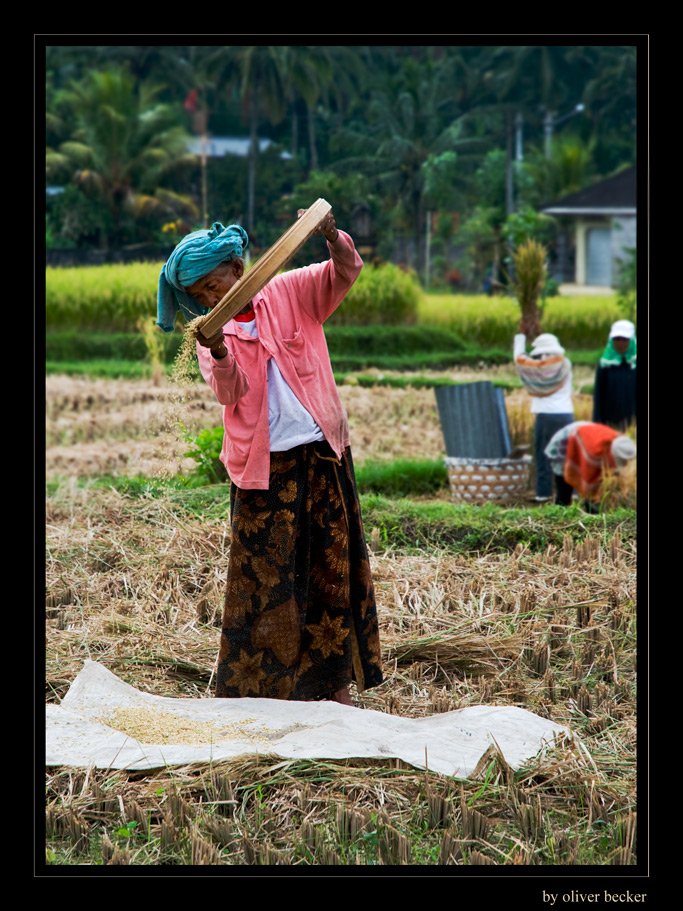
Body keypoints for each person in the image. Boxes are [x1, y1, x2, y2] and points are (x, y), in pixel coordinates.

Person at [156, 210, 383, 706]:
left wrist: (330, 235)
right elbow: (229, 391)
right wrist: (217, 351)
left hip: (323, 458)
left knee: (330, 573)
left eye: (214, 286)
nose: (210, 300)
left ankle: (335, 692)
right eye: (199, 295)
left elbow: (345, 270)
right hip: (264, 471)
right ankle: (259, 700)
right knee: (265, 585)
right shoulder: (208, 333)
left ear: (238, 269)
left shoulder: (289, 292)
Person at [513, 321, 575, 502]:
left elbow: (518, 358)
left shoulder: (534, 368)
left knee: (543, 455)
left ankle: (543, 493)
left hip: (545, 416)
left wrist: (521, 337)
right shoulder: (566, 364)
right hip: (566, 416)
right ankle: (571, 494)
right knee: (567, 455)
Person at [544, 421, 636, 507]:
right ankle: (560, 513)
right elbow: (589, 478)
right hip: (565, 442)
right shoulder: (595, 454)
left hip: (582, 434)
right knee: (564, 491)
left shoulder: (622, 444)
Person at [592, 319, 637, 431]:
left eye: (625, 339)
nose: (620, 343)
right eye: (617, 339)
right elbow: (599, 397)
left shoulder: (634, 365)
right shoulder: (605, 366)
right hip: (610, 425)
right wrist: (597, 424)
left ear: (632, 341)